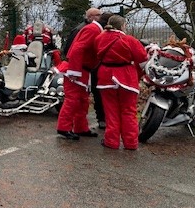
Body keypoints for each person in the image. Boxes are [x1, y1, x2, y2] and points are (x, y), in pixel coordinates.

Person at [94, 15, 148, 150]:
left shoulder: (99, 38)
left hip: (105, 76)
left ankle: (111, 141)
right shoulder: (129, 40)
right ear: (122, 26)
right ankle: (131, 143)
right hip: (126, 77)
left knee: (110, 111)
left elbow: (97, 54)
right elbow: (143, 61)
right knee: (128, 111)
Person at [56, 11, 106, 140]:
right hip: (77, 69)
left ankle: (80, 127)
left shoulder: (92, 29)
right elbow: (77, 49)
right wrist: (74, 71)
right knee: (72, 100)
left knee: (82, 100)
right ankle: (64, 127)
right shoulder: (92, 30)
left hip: (82, 69)